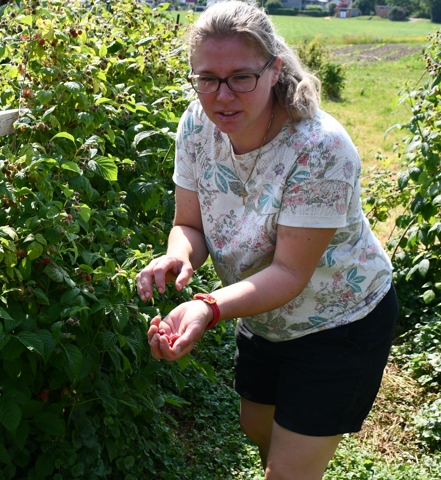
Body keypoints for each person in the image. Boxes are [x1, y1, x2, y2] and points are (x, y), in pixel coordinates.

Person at [134, 1, 399, 479]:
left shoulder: (320, 147)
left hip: (339, 323)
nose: (222, 95)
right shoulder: (197, 125)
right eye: (207, 78)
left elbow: (291, 272)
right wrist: (177, 257)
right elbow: (188, 225)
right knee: (258, 429)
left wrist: (207, 306)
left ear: (274, 69)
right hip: (261, 316)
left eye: (241, 77)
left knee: (287, 473)